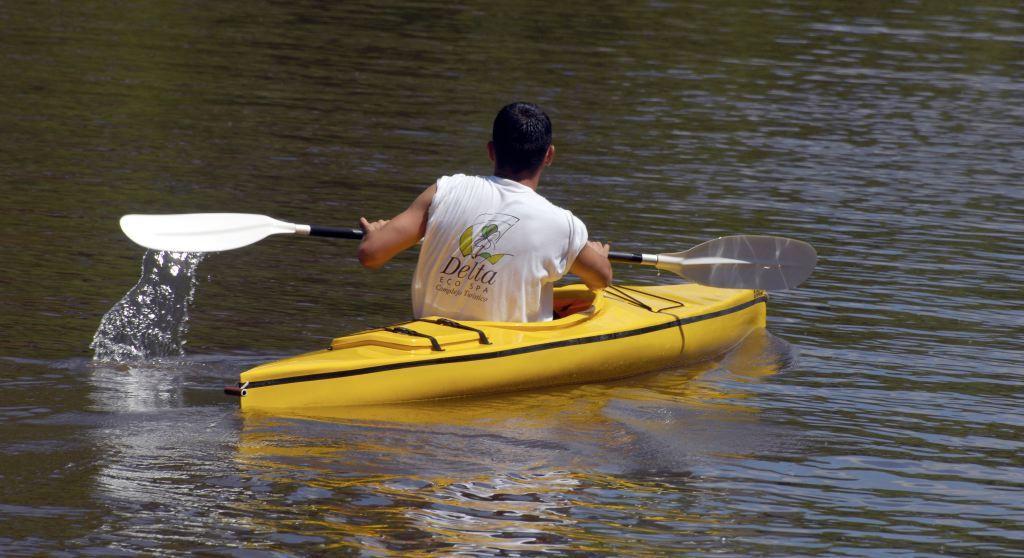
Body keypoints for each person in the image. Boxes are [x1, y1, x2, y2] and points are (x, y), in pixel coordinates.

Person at [357, 102, 612, 322]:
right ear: (549, 155)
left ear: (491, 150)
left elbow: (371, 255)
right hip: (501, 354)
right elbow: (601, 280)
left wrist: (376, 234)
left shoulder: (446, 189)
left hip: (428, 337)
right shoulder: (562, 225)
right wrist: (598, 256)